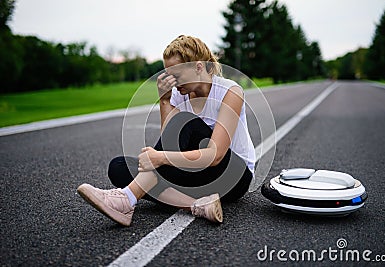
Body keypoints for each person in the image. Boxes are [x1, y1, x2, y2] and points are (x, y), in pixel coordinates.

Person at [77, 35, 256, 226]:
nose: (173, 82)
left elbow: (216, 155)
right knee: (118, 167)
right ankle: (198, 205)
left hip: (233, 176)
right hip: (198, 175)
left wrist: (160, 158)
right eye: (169, 75)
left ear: (198, 67)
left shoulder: (230, 92)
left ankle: (127, 199)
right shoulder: (180, 93)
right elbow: (171, 141)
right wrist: (164, 100)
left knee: (183, 122)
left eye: (177, 75)